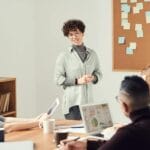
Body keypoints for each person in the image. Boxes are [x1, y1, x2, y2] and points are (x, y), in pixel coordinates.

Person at [60, 75, 150, 150]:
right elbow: (116, 145)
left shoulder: (127, 134)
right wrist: (86, 145)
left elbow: (121, 142)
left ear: (124, 106)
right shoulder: (136, 131)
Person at [54, 19, 102, 120]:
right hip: (73, 104)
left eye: (77, 33)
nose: (74, 37)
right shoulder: (64, 56)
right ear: (67, 36)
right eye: (71, 34)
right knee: (75, 133)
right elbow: (58, 79)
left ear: (82, 33)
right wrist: (77, 81)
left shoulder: (92, 54)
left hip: (89, 104)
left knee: (91, 133)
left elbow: (99, 73)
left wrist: (93, 78)